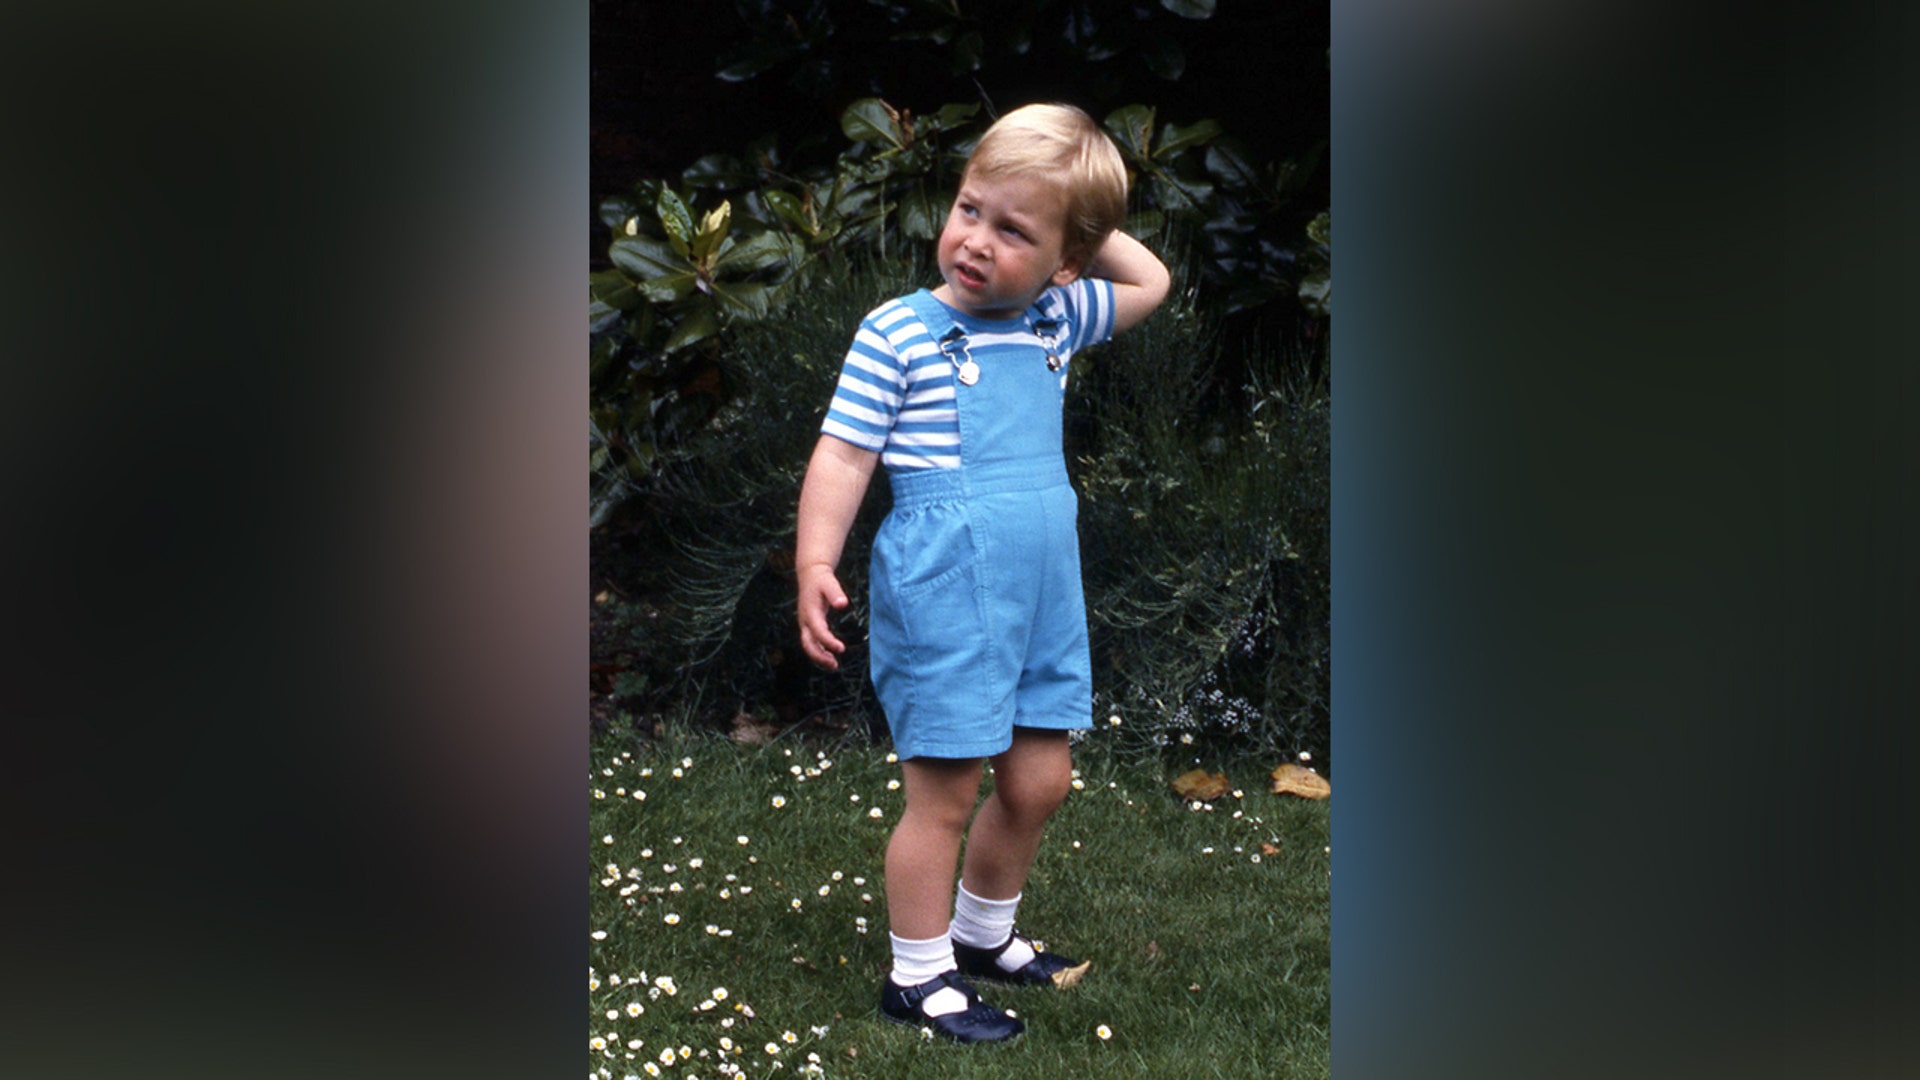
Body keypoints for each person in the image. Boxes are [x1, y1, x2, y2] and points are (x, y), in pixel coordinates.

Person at [794, 102, 1171, 1044]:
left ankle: (980, 933)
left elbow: (1154, 280)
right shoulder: (899, 333)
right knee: (948, 789)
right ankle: (917, 977)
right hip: (947, 588)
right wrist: (814, 561)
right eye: (970, 209)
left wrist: (1074, 217)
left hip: (1042, 593)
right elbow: (843, 456)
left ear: (1067, 259)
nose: (975, 241)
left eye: (1013, 231)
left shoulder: (1056, 315)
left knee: (1040, 780)